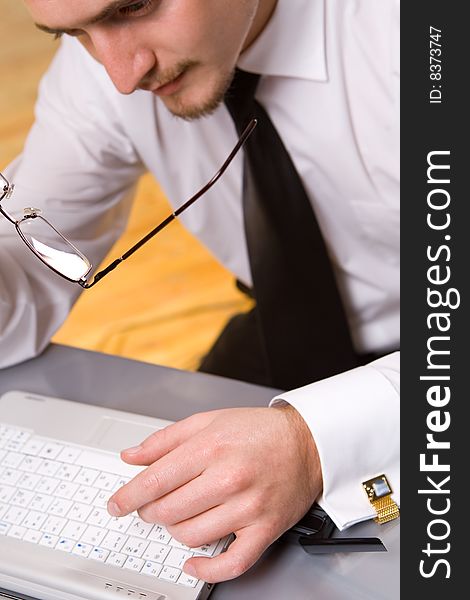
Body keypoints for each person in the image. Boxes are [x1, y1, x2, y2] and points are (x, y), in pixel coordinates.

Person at [0, 0, 400, 584]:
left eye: (134, 7)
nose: (121, 75)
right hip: (288, 331)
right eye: (73, 34)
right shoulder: (103, 69)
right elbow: (32, 259)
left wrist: (314, 445)